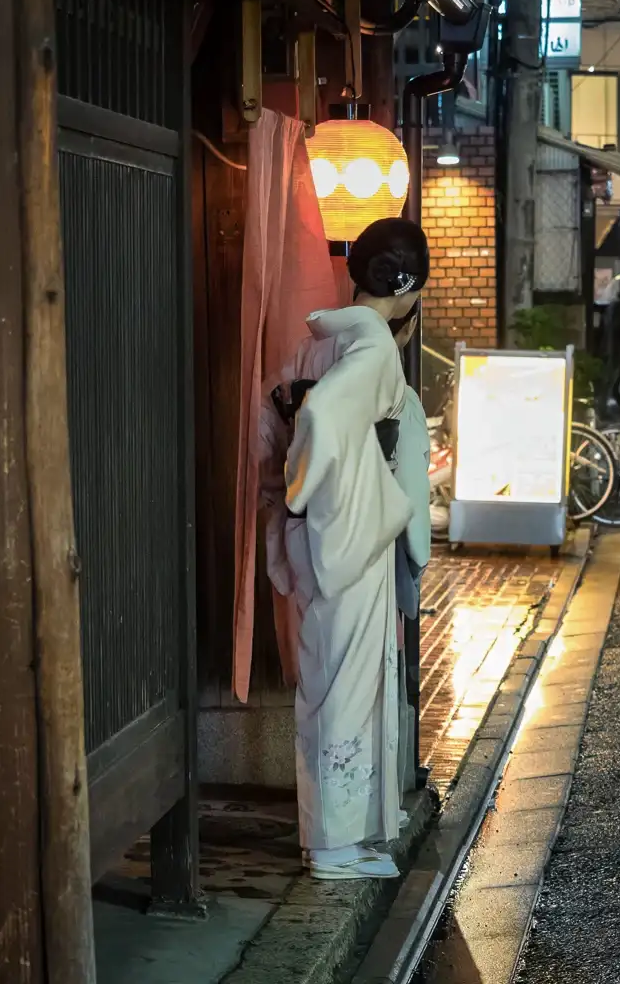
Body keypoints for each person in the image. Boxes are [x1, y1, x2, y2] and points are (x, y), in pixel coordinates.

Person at [258, 218, 431, 881]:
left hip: (327, 534)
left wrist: (296, 496)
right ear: (408, 287)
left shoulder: (329, 339)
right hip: (348, 538)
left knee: (337, 682)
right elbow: (325, 416)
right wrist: (309, 488)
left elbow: (293, 416)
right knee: (345, 688)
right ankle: (333, 845)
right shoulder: (374, 349)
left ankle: (345, 834)